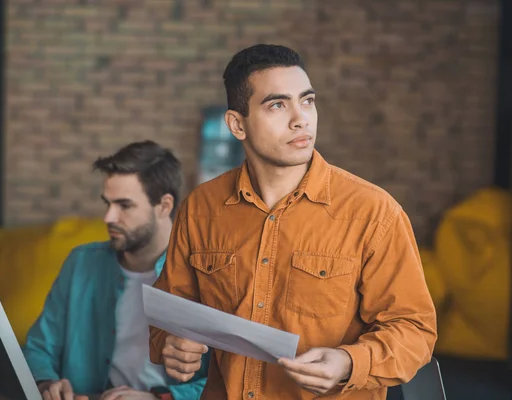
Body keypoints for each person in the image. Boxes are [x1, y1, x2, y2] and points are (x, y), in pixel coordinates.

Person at [149, 44, 437, 400]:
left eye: (308, 100)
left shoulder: (373, 213)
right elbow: (171, 313)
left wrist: (349, 362)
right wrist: (173, 346)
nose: (301, 118)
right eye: (277, 104)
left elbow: (414, 331)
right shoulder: (201, 208)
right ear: (237, 124)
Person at [23, 141, 207, 400]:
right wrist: (46, 383)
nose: (108, 217)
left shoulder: (205, 277)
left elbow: (230, 380)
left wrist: (159, 399)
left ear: (164, 206)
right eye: (107, 203)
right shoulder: (82, 262)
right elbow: (39, 348)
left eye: (124, 205)